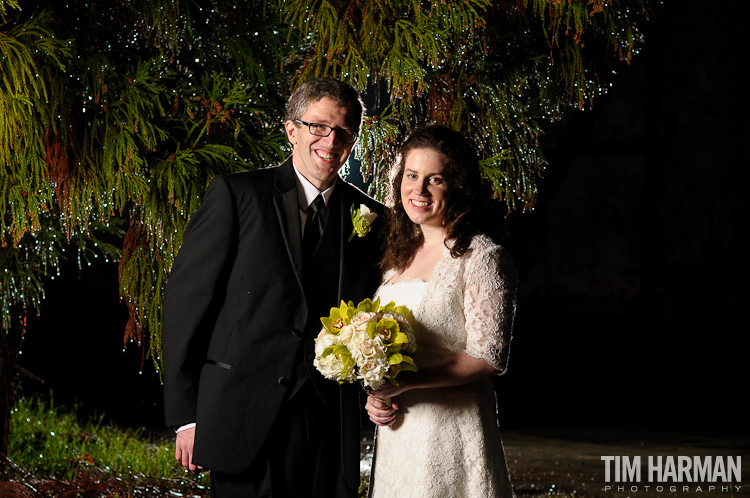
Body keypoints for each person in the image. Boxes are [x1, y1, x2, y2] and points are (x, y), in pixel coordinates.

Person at [162, 77, 384, 498]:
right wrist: (187, 417)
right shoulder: (237, 195)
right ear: (291, 130)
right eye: (318, 126)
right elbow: (185, 307)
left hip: (328, 419)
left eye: (344, 131)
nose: (330, 141)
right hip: (241, 409)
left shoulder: (372, 217)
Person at [365, 125, 518, 497]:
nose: (418, 190)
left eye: (434, 179)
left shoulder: (481, 257)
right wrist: (378, 395)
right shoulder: (399, 257)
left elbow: (488, 358)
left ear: (458, 186)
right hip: (401, 433)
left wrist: (406, 381)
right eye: (412, 176)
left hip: (452, 429)